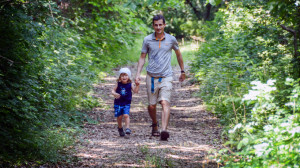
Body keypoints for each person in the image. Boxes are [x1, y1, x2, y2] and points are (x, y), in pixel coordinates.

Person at [135, 15, 185, 141]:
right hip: (151, 77)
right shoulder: (147, 40)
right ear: (153, 26)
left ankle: (164, 130)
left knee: (164, 102)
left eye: (160, 25)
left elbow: (179, 55)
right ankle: (155, 124)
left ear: (164, 25)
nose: (158, 27)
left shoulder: (171, 39)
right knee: (151, 106)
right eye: (156, 25)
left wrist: (182, 71)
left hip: (166, 76)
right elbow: (142, 57)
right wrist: (137, 74)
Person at [112, 68, 139, 137]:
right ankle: (120, 128)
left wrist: (137, 85)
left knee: (126, 115)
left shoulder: (130, 84)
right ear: (120, 77)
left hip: (126, 103)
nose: (124, 77)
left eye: (126, 75)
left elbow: (135, 91)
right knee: (119, 117)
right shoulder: (118, 84)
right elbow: (113, 90)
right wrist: (115, 94)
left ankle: (127, 128)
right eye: (122, 75)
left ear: (128, 76)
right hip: (118, 103)